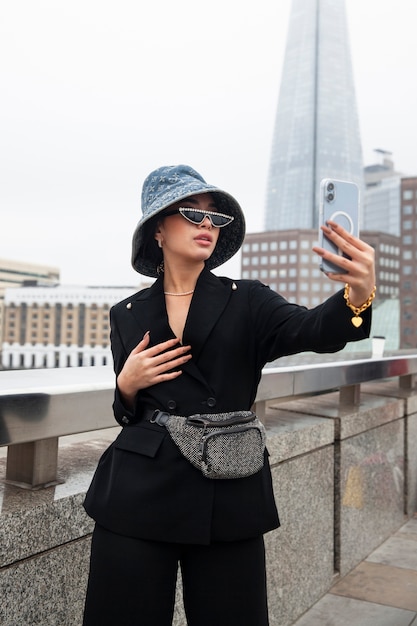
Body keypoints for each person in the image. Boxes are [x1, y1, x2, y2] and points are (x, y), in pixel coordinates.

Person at [83, 164, 375, 626]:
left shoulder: (249, 300)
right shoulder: (127, 312)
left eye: (215, 218)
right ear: (158, 227)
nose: (207, 225)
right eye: (192, 213)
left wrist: (357, 296)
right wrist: (126, 384)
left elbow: (314, 330)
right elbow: (128, 414)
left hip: (227, 490)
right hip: (135, 494)